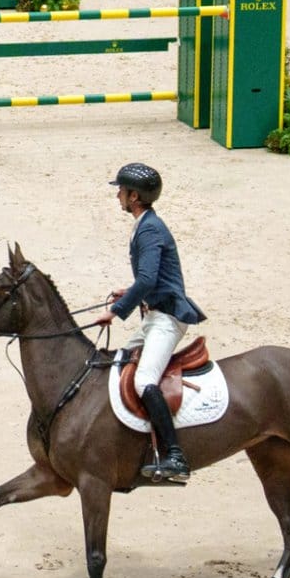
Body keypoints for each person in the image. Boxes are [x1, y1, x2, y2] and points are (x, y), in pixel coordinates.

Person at [106, 163, 205, 485]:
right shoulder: (145, 223)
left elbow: (148, 279)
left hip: (167, 318)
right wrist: (129, 290)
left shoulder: (149, 229)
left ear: (134, 196)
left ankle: (175, 455)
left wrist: (116, 310)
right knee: (121, 361)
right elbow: (153, 276)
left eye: (121, 190)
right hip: (154, 314)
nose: (117, 195)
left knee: (143, 379)